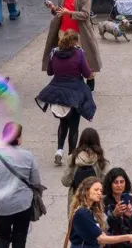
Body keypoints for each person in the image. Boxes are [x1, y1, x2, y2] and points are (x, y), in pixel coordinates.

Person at [38, 29, 97, 166]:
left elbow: (49, 72)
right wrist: (91, 75)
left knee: (63, 122)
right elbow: (87, 73)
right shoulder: (79, 53)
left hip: (57, 92)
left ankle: (59, 151)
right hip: (74, 93)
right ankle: (71, 156)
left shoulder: (54, 53)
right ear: (75, 41)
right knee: (74, 126)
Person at [0, 122, 43, 248]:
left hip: (1, 206)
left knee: (1, 237)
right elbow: (36, 182)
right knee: (20, 238)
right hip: (23, 205)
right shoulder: (28, 156)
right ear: (18, 139)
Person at [42, 0, 101, 89]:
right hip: (63, 33)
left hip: (78, 34)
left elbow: (85, 14)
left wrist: (70, 13)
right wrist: (53, 7)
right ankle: (69, 82)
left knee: (85, 60)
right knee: (66, 60)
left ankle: (90, 82)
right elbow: (60, 12)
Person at [67, 176, 132, 247]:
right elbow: (101, 239)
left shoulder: (90, 212)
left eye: (100, 190)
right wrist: (128, 237)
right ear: (86, 191)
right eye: (96, 190)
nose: (99, 193)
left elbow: (102, 236)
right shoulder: (82, 213)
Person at [101, 168, 132, 237]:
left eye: (122, 182)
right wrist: (114, 215)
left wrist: (131, 216)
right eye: (115, 182)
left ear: (126, 182)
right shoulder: (103, 202)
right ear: (110, 184)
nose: (119, 185)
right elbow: (103, 228)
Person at [65, 128, 108, 197]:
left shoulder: (72, 157)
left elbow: (66, 181)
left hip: (76, 198)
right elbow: (106, 181)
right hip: (95, 199)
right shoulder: (100, 159)